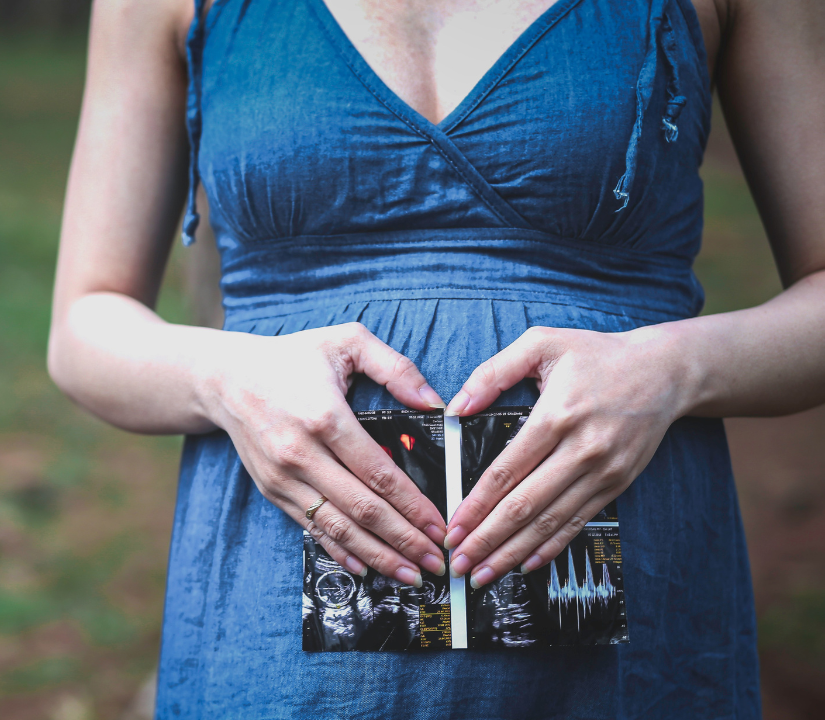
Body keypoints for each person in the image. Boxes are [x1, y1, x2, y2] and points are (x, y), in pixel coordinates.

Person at [47, 0, 825, 716]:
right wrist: (224, 380)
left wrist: (676, 367)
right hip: (276, 632)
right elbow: (84, 326)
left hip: (630, 625)